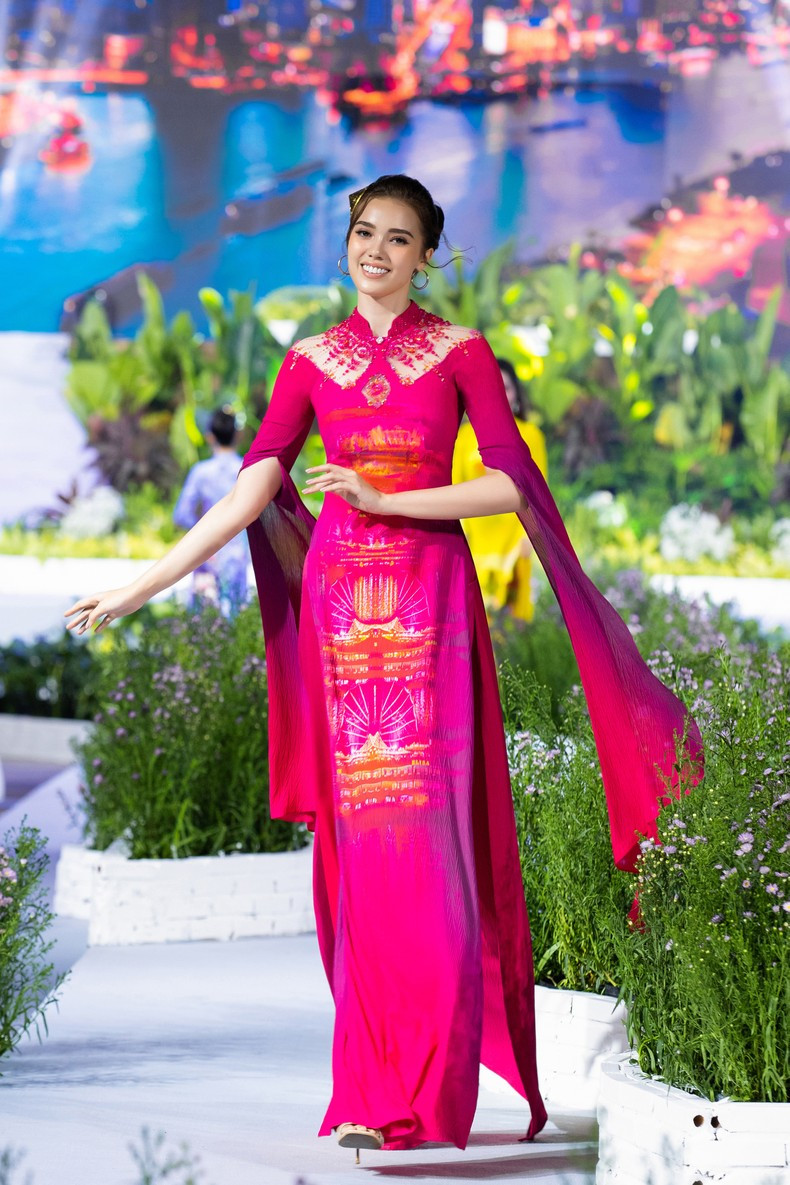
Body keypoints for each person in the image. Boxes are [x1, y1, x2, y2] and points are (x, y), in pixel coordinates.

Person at [65, 174, 702, 1162]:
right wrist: (139, 586)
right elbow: (251, 493)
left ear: (424, 255)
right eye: (364, 233)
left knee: (433, 854)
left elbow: (507, 483)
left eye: (398, 239)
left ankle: (433, 1094)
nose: (376, 251)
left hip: (432, 617)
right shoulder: (309, 361)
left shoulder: (460, 354)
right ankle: (370, 1091)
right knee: (360, 864)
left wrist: (388, 500)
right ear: (348, 243)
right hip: (340, 628)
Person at [453, 358, 548, 620]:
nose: (500, 394)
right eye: (492, 387)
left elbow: (538, 494)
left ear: (516, 393)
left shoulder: (531, 435)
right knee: (477, 619)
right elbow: (455, 489)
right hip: (476, 540)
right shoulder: (463, 439)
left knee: (515, 624)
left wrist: (531, 536)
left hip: (516, 537)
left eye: (506, 387)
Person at [172, 407, 249, 615]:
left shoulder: (201, 472)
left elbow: (181, 514)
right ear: (238, 435)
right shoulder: (247, 469)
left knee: (204, 625)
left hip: (206, 552)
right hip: (238, 553)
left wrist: (200, 530)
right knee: (237, 618)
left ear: (210, 437)